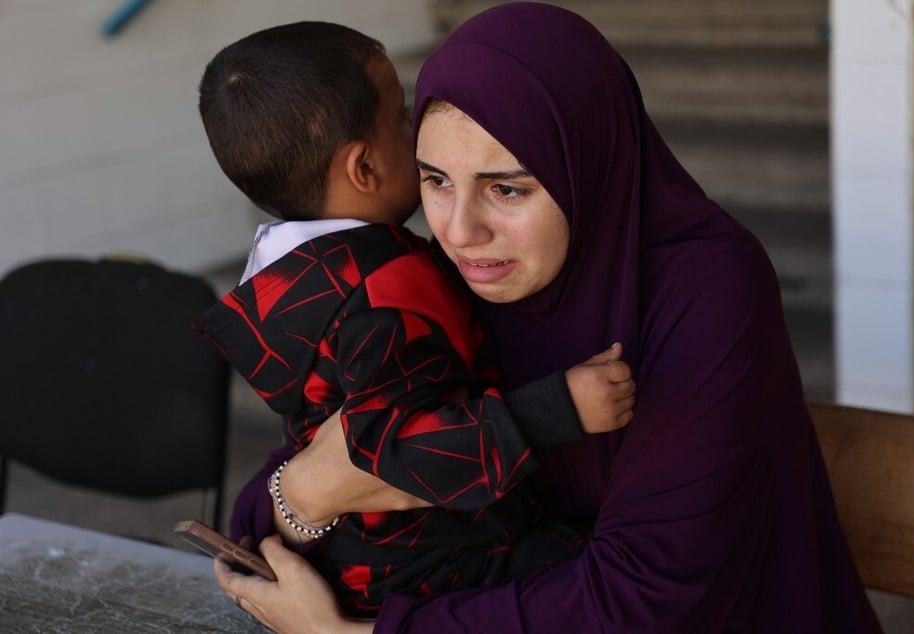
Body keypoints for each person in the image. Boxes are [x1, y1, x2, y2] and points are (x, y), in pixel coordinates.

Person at [215, 4, 884, 632]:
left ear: (583, 165)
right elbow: (268, 502)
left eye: (506, 188)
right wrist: (305, 493)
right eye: (436, 181)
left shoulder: (707, 290)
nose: (459, 230)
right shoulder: (445, 279)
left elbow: (644, 595)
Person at [194, 20, 635, 617]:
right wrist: (556, 409)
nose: (417, 131)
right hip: (432, 562)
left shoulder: (287, 276)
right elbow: (390, 446)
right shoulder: (388, 284)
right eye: (403, 116)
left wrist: (298, 496)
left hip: (353, 554)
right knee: (584, 571)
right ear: (365, 170)